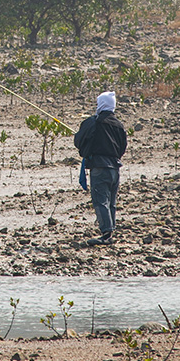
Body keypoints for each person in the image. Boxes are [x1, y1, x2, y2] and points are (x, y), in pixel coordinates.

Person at [75, 91, 128, 246]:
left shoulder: (93, 122)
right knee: (111, 202)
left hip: (100, 168)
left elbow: (79, 141)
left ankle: (106, 235)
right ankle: (109, 232)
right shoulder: (119, 125)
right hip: (115, 169)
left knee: (101, 202)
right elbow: (122, 147)